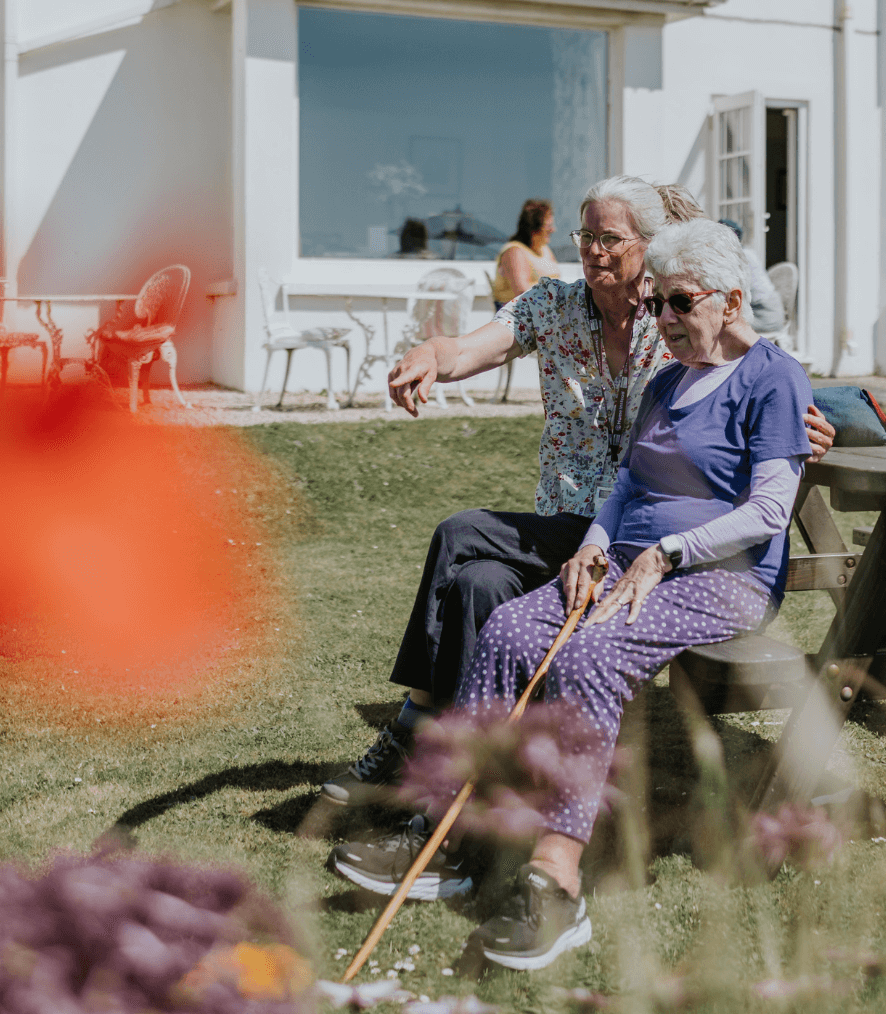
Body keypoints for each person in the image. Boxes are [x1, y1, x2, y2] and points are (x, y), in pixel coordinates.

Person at [330, 218, 814, 970]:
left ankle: (556, 882)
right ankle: (457, 840)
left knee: (590, 654)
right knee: (508, 631)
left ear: (730, 299)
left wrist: (668, 550)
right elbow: (625, 485)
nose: (665, 320)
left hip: (722, 577)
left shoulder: (773, 376)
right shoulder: (666, 381)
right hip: (625, 561)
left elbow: (770, 512)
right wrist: (593, 545)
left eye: (680, 302)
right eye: (658, 304)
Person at [717, 218, 785, 337]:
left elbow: (728, 292)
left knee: (717, 323)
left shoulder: (740, 257)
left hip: (764, 316)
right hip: (772, 312)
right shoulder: (747, 252)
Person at [491, 198, 561, 308]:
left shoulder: (544, 249)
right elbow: (522, 293)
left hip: (545, 312)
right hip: (520, 317)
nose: (553, 229)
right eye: (549, 226)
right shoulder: (514, 252)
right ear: (534, 227)